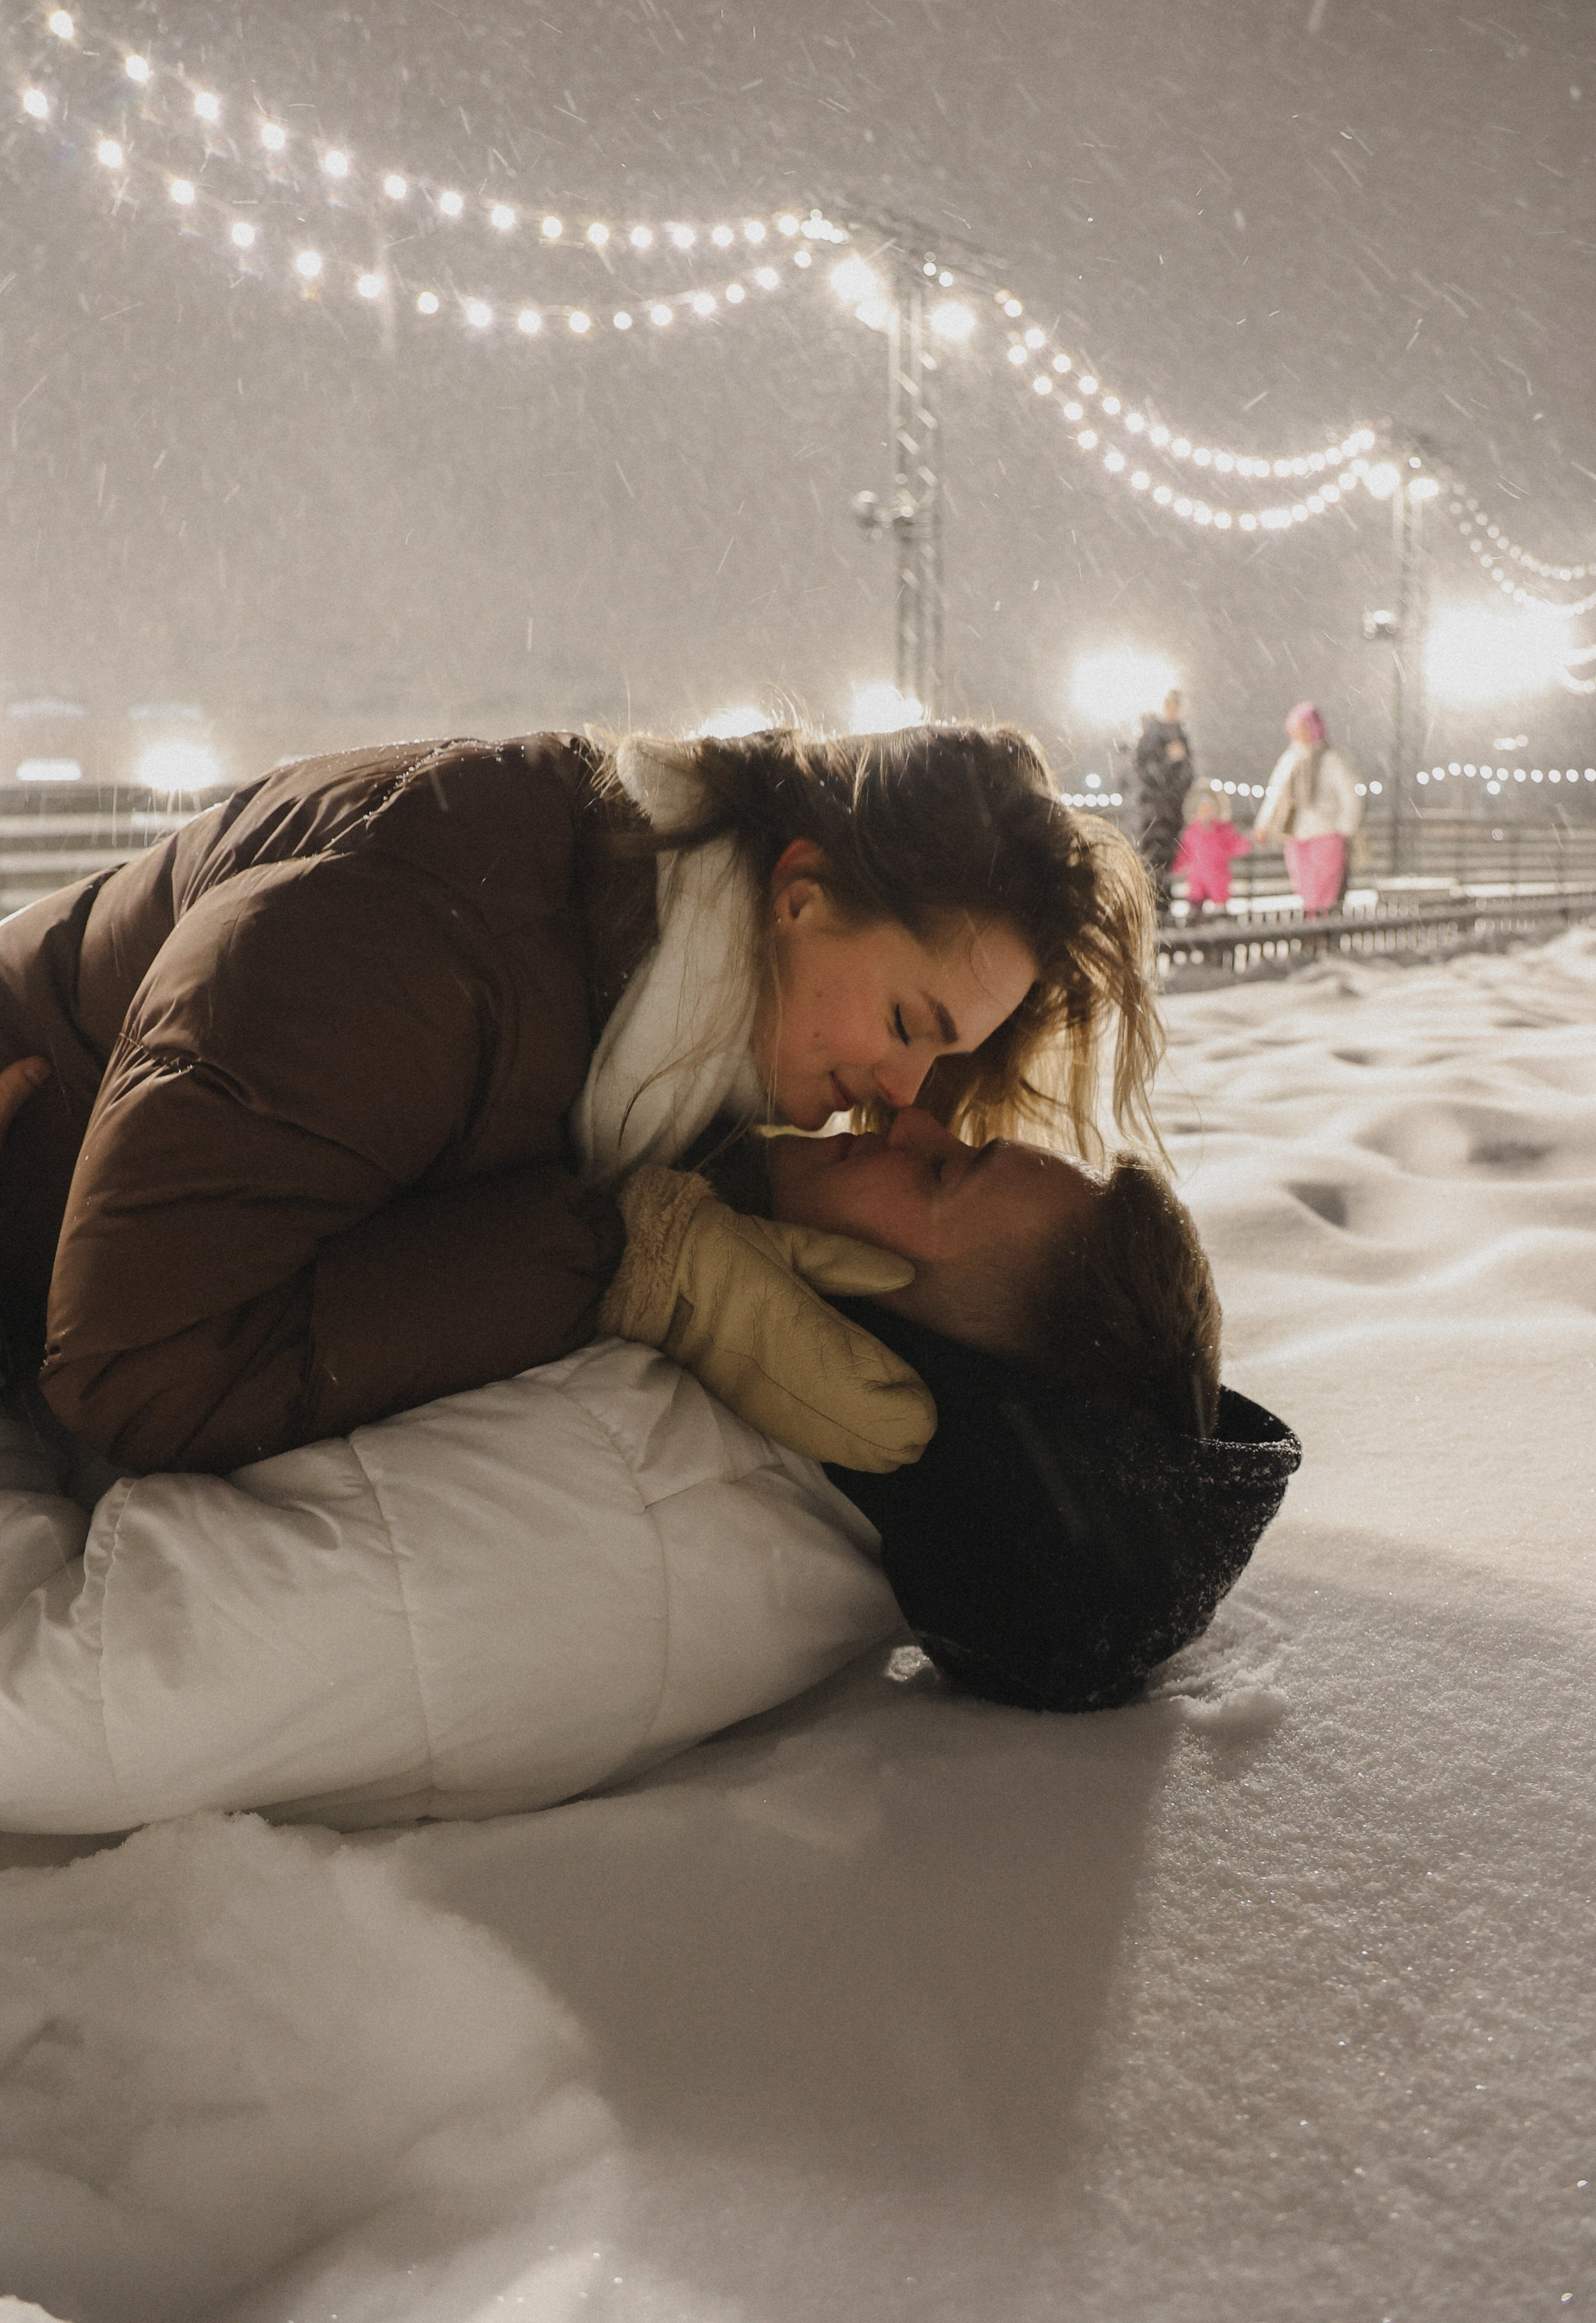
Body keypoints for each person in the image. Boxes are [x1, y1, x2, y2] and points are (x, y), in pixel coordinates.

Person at [0, 1080, 1300, 1833]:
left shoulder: (616, 1532)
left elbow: (48, 1702)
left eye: (940, 1174)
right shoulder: (734, 1429)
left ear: (920, 1371)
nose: (904, 1113)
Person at [0, 723, 1160, 1479]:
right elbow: (141, 1369)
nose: (904, 1100)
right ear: (800, 893)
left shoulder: (651, 1008)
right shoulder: (430, 947)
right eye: (911, 1027)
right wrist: (618, 1261)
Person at [1253, 702, 1363, 915]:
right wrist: (1263, 824)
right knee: (1305, 888)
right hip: (1296, 834)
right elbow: (1275, 793)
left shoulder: (1332, 760)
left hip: (1326, 833)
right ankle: (1313, 931)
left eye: (1304, 728)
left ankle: (1320, 932)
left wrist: (1345, 828)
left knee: (1324, 889)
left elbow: (1350, 796)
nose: (1300, 734)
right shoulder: (1290, 759)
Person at [1133, 690, 1195, 911]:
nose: (1174, 710)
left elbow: (1188, 773)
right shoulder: (1153, 734)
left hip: (1173, 811)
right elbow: (1145, 770)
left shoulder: (1181, 735)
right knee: (1153, 858)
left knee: (1168, 859)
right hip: (1156, 810)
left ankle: (1162, 905)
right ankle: (1154, 906)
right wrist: (1170, 760)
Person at [1171, 781, 1252, 919]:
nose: (1205, 814)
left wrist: (1249, 841)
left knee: (1220, 907)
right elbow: (1184, 854)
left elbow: (1236, 844)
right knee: (1195, 906)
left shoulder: (1223, 831)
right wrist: (1175, 868)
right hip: (1197, 878)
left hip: (1218, 877)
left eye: (1208, 810)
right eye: (1202, 810)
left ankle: (1219, 926)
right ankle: (1196, 925)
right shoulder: (1192, 832)